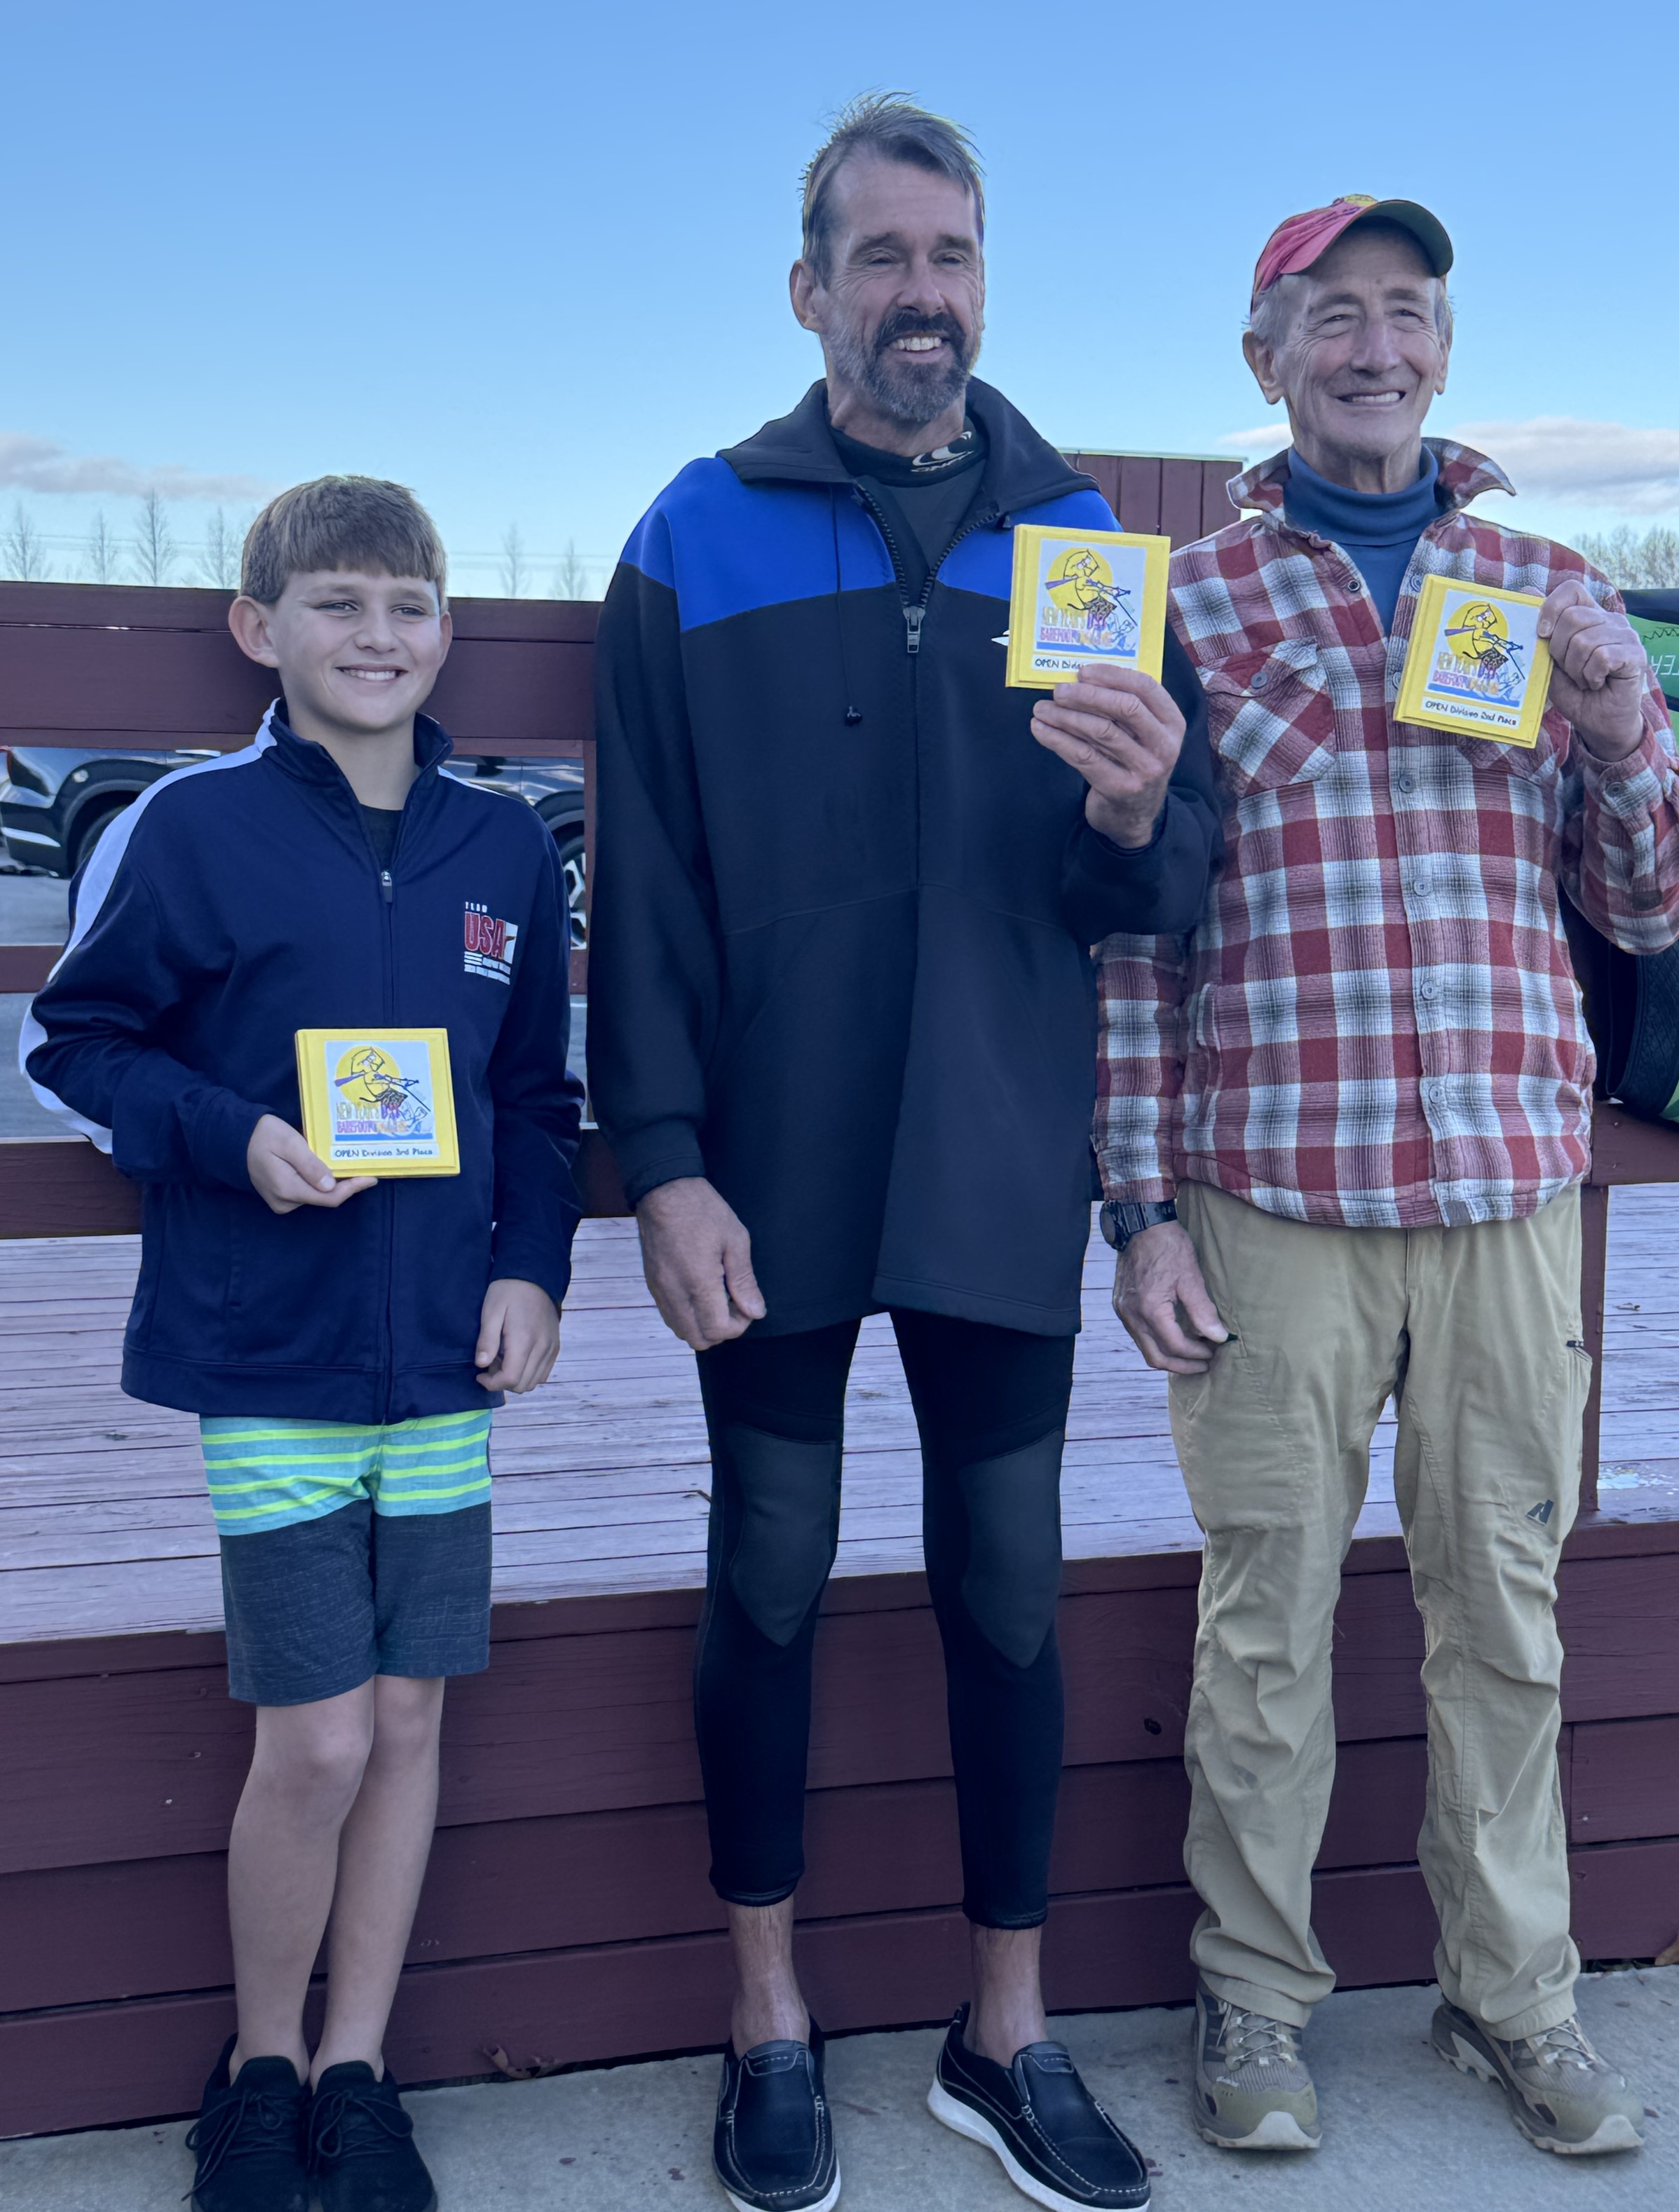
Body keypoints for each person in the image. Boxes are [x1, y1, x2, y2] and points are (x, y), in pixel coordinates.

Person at [589, 95, 1220, 2212]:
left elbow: (1162, 879)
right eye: (880, 257)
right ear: (809, 290)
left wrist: (1134, 810)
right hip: (763, 1165)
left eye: (949, 256)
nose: (919, 294)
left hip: (994, 1149)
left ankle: (1002, 2031)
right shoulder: (695, 532)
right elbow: (641, 880)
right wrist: (659, 1157)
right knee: (767, 1569)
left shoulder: (1084, 542)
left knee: (1008, 1587)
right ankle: (766, 2016)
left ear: (983, 283)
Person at [1096, 196, 1679, 2158]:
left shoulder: (1547, 579)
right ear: (1261, 359)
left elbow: (1652, 903)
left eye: (1405, 312)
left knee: (1504, 1618)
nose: (1372, 348)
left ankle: (1513, 1998)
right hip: (1268, 1192)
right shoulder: (1185, 602)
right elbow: (1131, 938)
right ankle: (1255, 1998)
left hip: (1509, 1192)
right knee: (1261, 1622)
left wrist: (1613, 727)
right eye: (1330, 317)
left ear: (1443, 346)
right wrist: (1137, 1207)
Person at [23, 477, 583, 2212]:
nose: (378, 636)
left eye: (409, 606)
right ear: (258, 629)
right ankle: (257, 2066)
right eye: (338, 603)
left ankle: (358, 2069)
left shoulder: (504, 848)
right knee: (320, 1739)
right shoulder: (191, 828)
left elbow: (536, 1100)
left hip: (444, 1365)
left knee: (407, 1725)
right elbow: (75, 1043)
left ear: (447, 630)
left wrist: (533, 1271)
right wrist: (235, 1137)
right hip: (266, 1354)